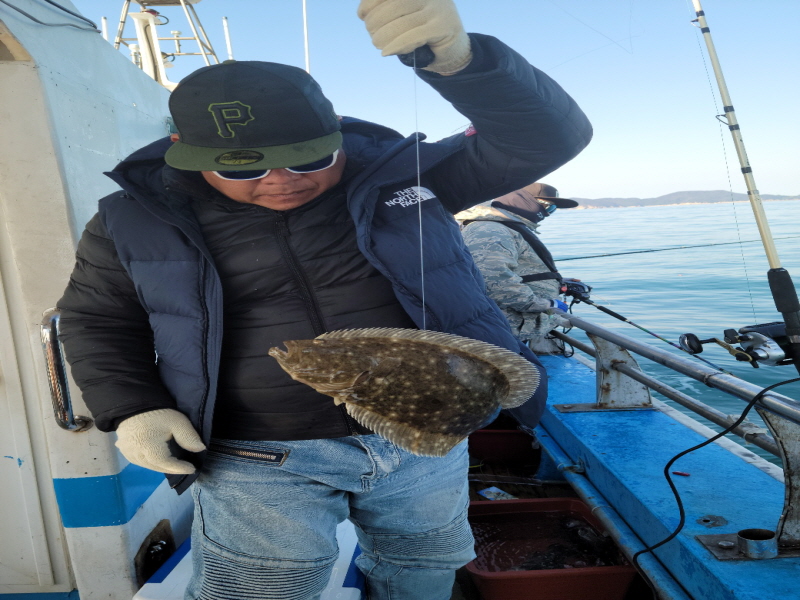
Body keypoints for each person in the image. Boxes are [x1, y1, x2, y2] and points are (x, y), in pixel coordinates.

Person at [56, 1, 592, 598]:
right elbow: (97, 319)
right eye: (243, 167)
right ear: (186, 149)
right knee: (259, 590)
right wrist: (132, 407)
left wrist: (463, 64)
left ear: (336, 130)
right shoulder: (132, 219)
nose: (281, 179)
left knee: (423, 569)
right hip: (255, 452)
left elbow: (545, 138)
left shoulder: (403, 175)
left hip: (425, 438)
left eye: (308, 156)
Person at [457, 182, 580, 353]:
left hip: (512, 329)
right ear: (522, 200)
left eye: (553, 209)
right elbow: (494, 281)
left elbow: (508, 270)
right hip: (500, 331)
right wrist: (546, 304)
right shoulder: (491, 229)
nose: (547, 213)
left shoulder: (506, 227)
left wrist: (555, 281)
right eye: (546, 206)